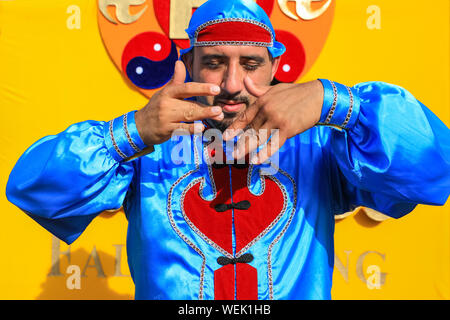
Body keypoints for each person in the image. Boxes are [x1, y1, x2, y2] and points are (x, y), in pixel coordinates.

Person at [6, 0, 450, 300]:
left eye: (251, 64)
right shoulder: (149, 146)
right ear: (189, 66)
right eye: (215, 63)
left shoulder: (317, 143)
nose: (233, 84)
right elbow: (33, 188)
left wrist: (336, 102)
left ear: (275, 68)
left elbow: (432, 168)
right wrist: (135, 130)